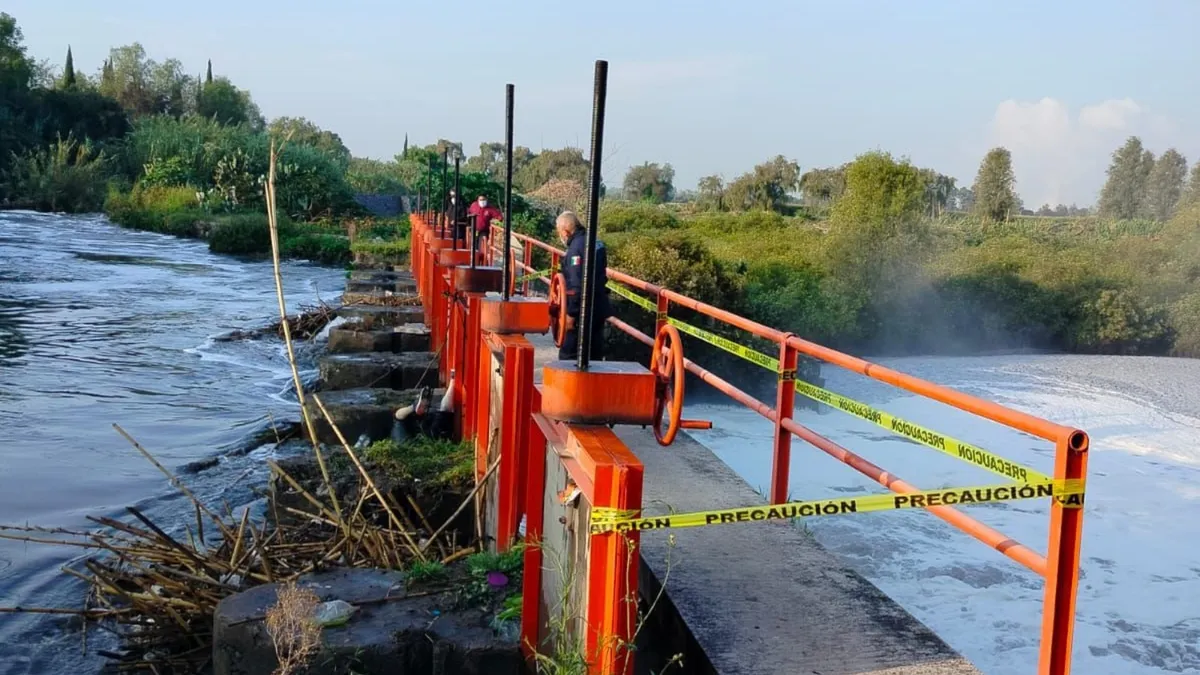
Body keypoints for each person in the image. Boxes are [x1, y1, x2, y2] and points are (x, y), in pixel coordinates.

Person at [556, 211, 609, 361]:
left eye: (559, 232)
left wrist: (571, 314)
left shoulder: (575, 249)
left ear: (566, 231)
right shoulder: (597, 243)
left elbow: (577, 286)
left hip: (582, 312)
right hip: (599, 307)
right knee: (594, 356)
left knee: (569, 356)